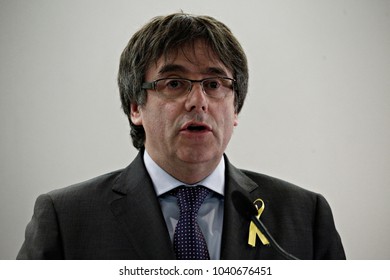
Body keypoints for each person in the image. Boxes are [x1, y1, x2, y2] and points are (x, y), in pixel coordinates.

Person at [17, 12, 346, 260]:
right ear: (136, 107)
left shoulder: (304, 214)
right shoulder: (66, 218)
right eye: (174, 83)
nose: (198, 101)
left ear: (235, 110)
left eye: (214, 84)